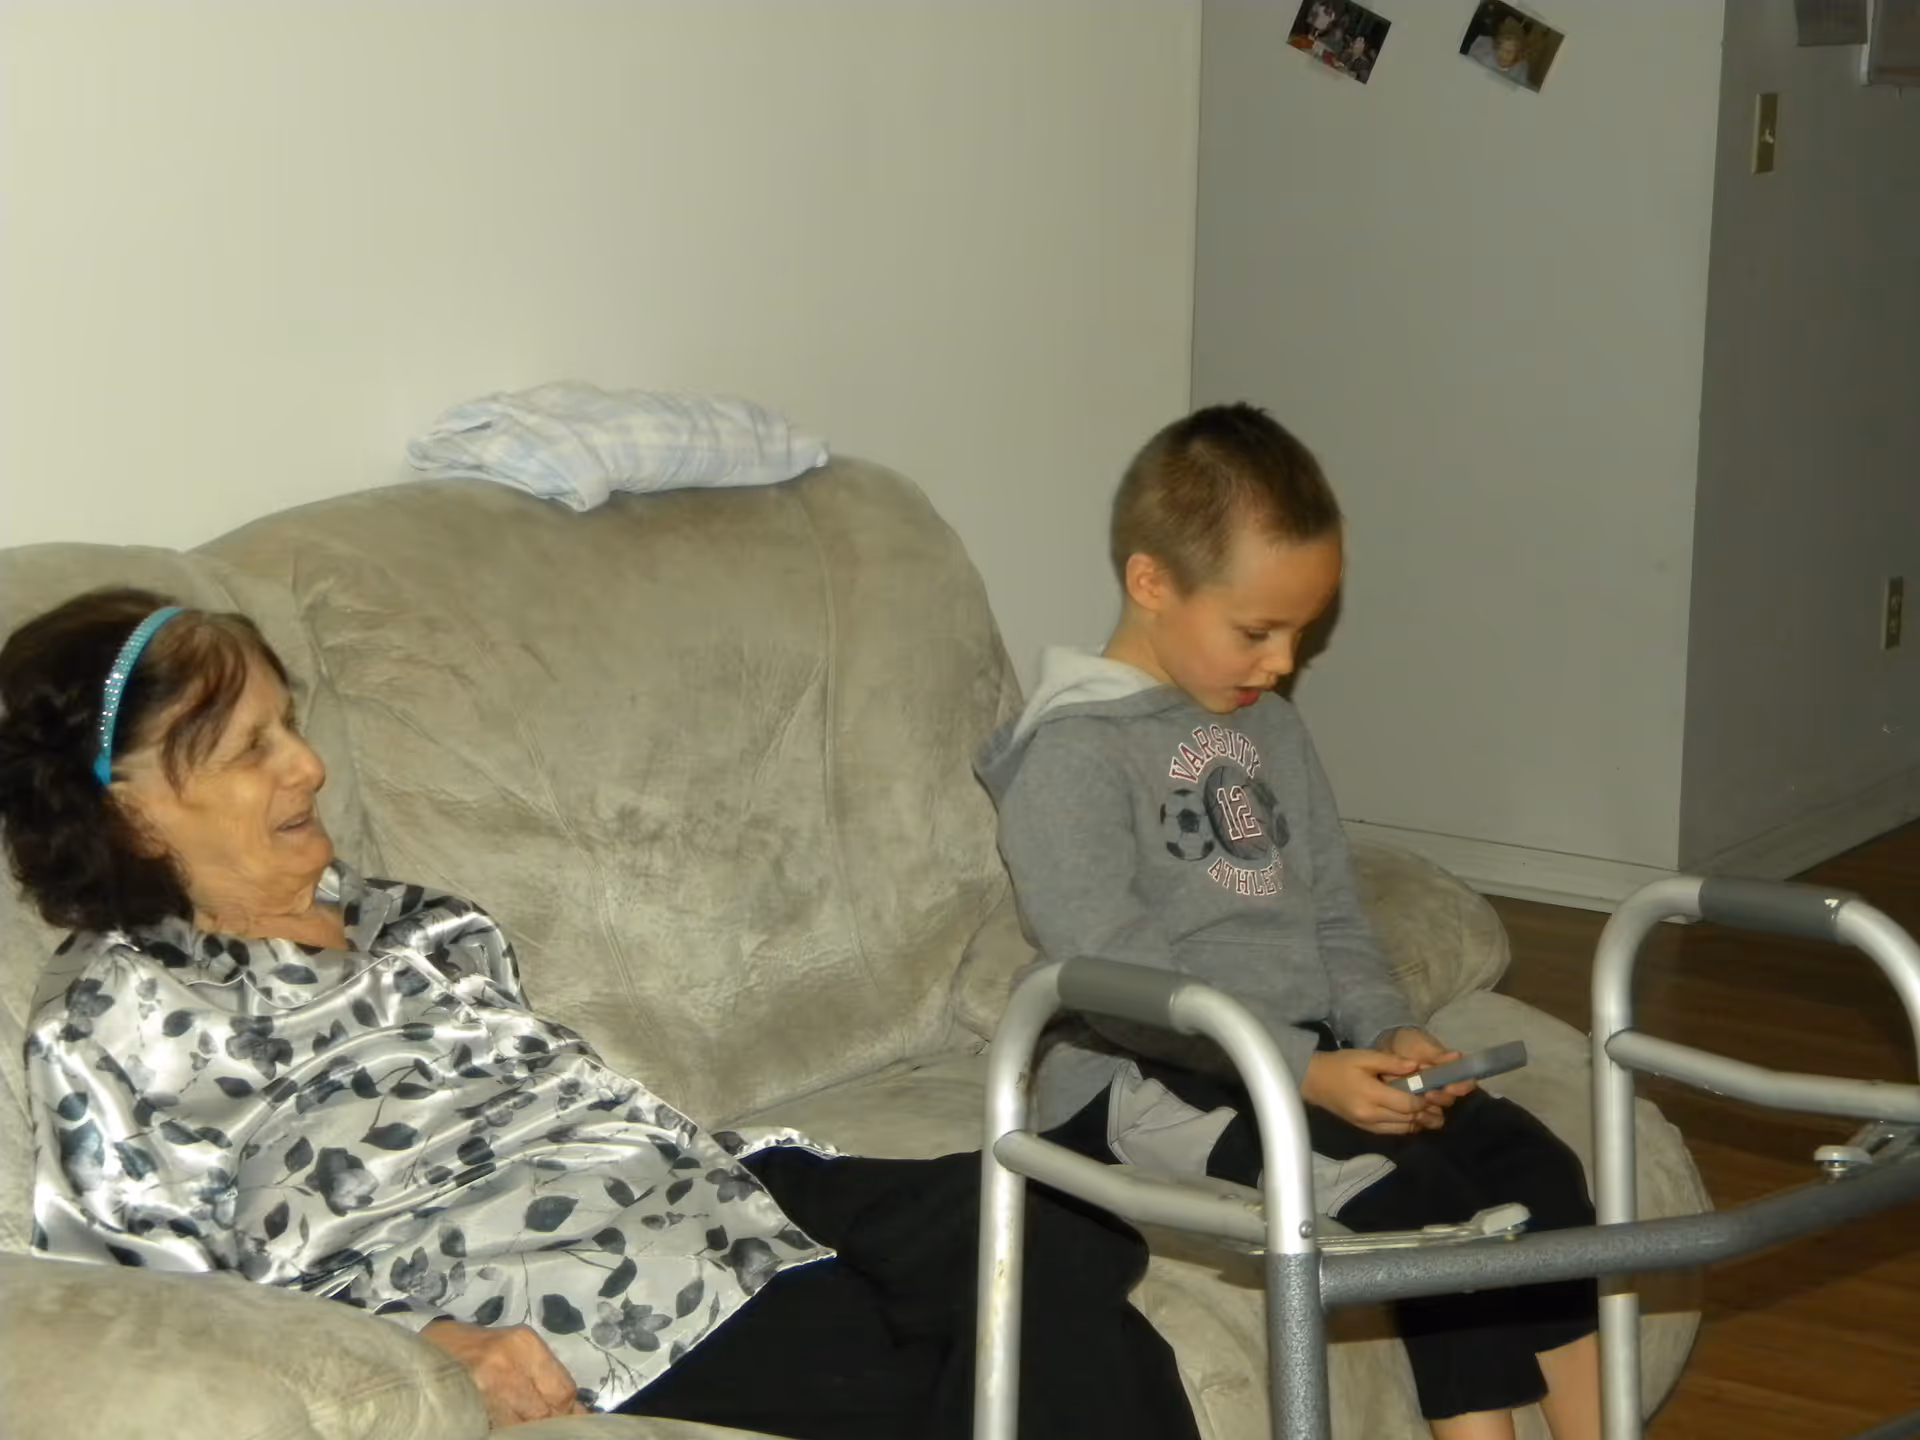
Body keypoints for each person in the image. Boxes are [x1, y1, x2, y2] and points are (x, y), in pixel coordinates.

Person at [1, 588, 1198, 1440]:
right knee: (1054, 1335)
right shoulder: (123, 1008)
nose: (307, 766)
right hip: (578, 1281)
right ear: (136, 808)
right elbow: (156, 1296)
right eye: (253, 748)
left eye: (292, 724)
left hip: (713, 1180)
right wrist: (427, 1340)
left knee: (1045, 1212)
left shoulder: (412, 918)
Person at [973, 405, 1602, 1440]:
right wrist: (1300, 1073)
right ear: (1151, 584)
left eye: (1302, 631)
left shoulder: (1267, 726)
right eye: (1257, 630)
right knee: (1424, 1209)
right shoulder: (1073, 756)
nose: (1283, 662)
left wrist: (1386, 1031)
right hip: (1144, 1072)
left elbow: (1335, 918)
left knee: (1534, 1171)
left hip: (1297, 1057)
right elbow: (1113, 976)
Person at [1467, 14, 1533, 88]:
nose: (1504, 54)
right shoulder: (1481, 58)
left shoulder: (1520, 71)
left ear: (1517, 53)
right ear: (1496, 47)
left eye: (1510, 51)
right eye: (1501, 48)